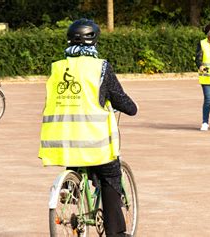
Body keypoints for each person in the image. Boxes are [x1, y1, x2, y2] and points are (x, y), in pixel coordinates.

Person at [38, 19, 137, 237]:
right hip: (93, 143)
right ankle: (116, 233)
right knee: (111, 176)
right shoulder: (100, 67)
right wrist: (132, 108)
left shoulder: (56, 68)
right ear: (93, 41)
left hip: (62, 143)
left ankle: (72, 188)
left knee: (79, 161)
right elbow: (119, 98)